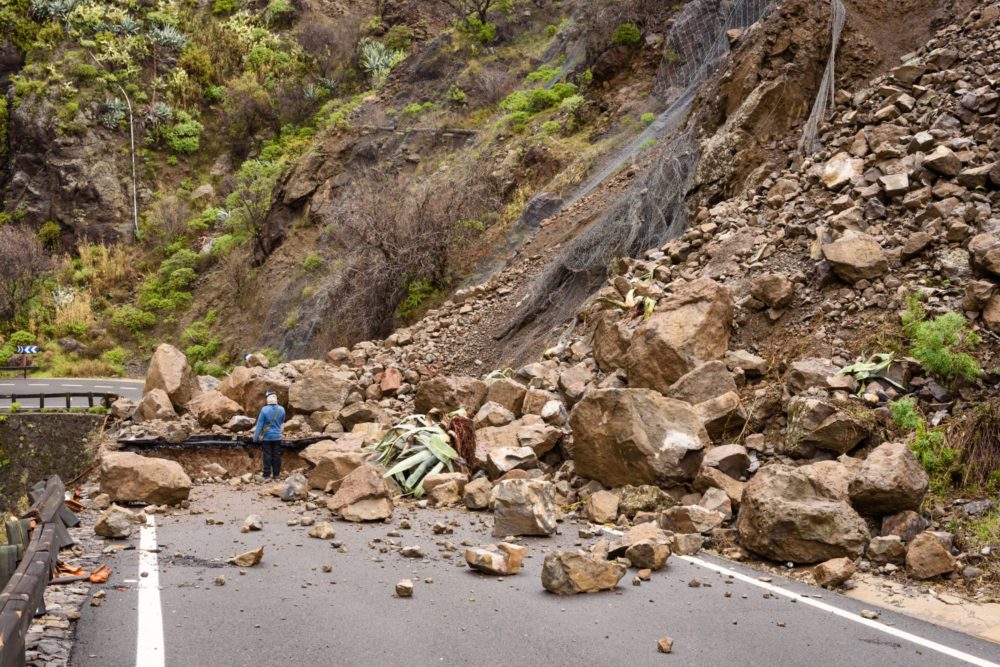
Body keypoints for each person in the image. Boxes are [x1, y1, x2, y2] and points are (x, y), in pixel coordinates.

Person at [253, 390, 285, 480]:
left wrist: (255, 438)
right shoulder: (281, 409)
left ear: (267, 399)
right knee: (276, 455)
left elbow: (259, 425)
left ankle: (266, 475)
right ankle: (276, 475)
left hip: (267, 438)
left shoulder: (264, 410)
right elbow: (282, 421)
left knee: (267, 455)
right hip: (277, 437)